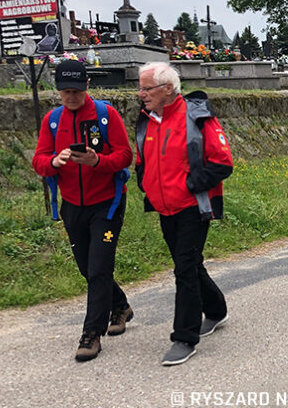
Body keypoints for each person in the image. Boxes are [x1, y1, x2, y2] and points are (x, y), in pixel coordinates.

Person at [31, 60, 134, 362]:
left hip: (107, 204)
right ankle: (120, 306)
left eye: (76, 90)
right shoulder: (52, 120)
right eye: (66, 92)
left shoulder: (106, 115)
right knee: (86, 268)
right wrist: (54, 161)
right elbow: (39, 160)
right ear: (58, 90)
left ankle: (91, 334)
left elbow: (125, 155)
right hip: (73, 206)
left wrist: (97, 161)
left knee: (99, 267)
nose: (71, 97)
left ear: (87, 86)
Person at [135, 61, 233, 366]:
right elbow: (143, 160)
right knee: (189, 263)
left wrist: (189, 186)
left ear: (168, 88)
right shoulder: (147, 120)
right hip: (165, 207)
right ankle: (216, 310)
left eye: (146, 88)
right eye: (140, 88)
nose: (141, 94)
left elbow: (222, 163)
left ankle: (184, 338)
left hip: (193, 206)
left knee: (185, 269)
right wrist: (145, 184)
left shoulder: (197, 116)